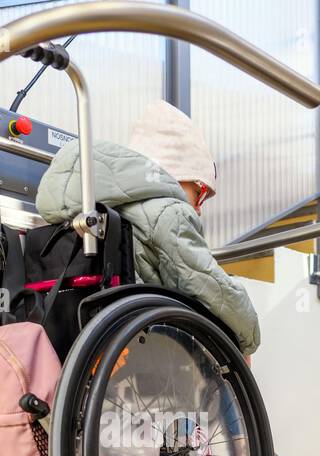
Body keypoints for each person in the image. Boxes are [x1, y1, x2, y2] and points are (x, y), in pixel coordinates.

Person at [34, 100, 261, 355]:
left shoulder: (94, 209)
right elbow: (208, 285)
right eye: (201, 193)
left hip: (75, 336)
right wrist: (249, 337)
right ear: (176, 174)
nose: (199, 208)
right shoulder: (169, 211)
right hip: (142, 347)